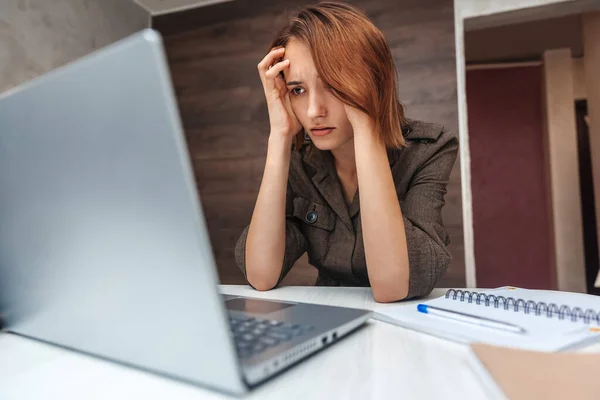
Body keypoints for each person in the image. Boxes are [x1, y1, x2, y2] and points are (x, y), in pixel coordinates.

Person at [234, 2, 458, 302]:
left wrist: (366, 124)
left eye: (333, 86)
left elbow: (391, 287)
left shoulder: (430, 148)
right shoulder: (299, 160)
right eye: (297, 90)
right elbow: (261, 275)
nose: (314, 111)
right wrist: (280, 135)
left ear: (372, 82)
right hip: (329, 316)